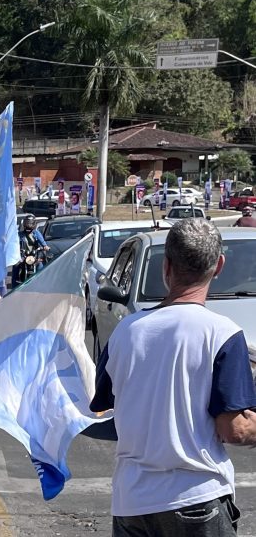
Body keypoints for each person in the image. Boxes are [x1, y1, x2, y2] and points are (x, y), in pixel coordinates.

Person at [91, 218, 256, 536]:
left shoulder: (126, 331)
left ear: (165, 266)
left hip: (131, 503)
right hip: (195, 500)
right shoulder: (222, 334)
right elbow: (233, 429)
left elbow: (105, 408)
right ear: (218, 266)